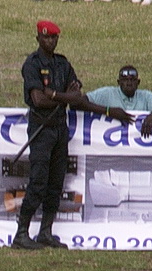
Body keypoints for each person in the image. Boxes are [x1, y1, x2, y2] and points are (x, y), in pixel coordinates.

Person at [15, 20, 133, 250]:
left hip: (60, 129)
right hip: (41, 128)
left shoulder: (63, 63)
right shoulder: (32, 64)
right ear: (38, 38)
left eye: (54, 38)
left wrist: (56, 94)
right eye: (47, 37)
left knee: (56, 182)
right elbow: (38, 99)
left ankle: (45, 232)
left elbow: (78, 97)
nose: (51, 41)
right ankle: (21, 233)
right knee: (38, 181)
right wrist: (63, 96)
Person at [86, 65, 152, 138]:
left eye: (132, 80)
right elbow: (80, 102)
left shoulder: (145, 96)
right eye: (125, 80)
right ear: (119, 82)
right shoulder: (106, 93)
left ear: (138, 83)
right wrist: (108, 111)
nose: (129, 83)